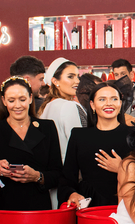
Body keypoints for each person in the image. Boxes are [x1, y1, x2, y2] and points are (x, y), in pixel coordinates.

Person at [0, 77, 63, 211]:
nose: (17, 105)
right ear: (3, 101)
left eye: (22, 99)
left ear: (31, 98)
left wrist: (37, 176)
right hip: (4, 206)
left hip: (38, 206)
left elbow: (58, 174)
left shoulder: (47, 127)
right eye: (11, 100)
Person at [59, 76, 133, 208]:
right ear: (92, 105)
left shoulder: (134, 135)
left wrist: (122, 168)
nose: (109, 104)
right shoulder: (79, 136)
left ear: (120, 103)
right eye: (102, 99)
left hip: (127, 206)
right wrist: (72, 194)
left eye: (114, 99)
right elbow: (67, 180)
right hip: (90, 207)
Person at [38, 57, 85, 207]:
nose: (77, 81)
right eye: (70, 76)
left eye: (77, 76)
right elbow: (79, 147)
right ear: (55, 81)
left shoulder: (47, 107)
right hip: (72, 181)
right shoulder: (68, 106)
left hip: (55, 180)